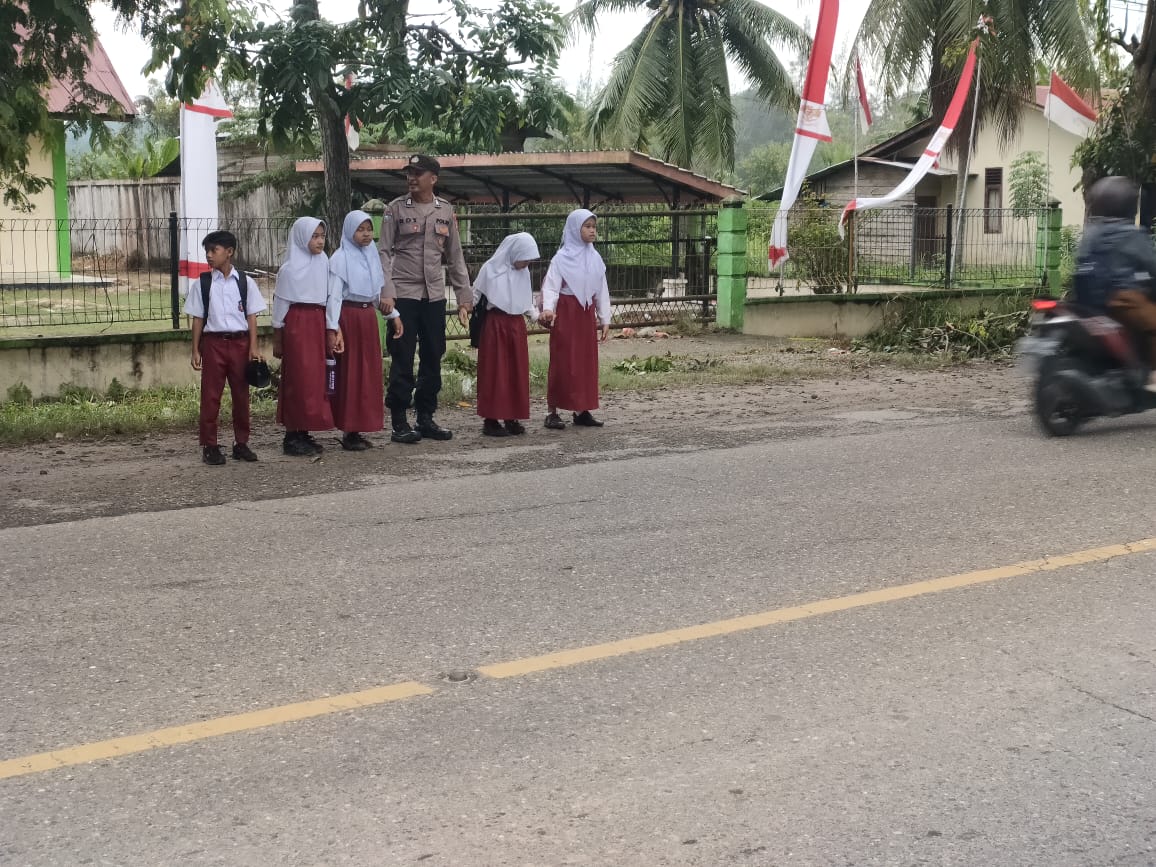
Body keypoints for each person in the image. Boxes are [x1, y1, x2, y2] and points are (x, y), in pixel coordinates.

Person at [378, 154, 472, 444]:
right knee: (402, 356)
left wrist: (464, 298)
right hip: (403, 296)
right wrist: (386, 291)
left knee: (433, 354)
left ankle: (425, 416)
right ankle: (399, 421)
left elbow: (455, 257)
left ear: (433, 178)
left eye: (418, 173)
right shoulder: (395, 209)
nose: (411, 178)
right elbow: (383, 252)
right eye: (409, 172)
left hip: (433, 296)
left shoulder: (445, 210)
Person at [185, 229, 268, 465]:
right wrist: (195, 349)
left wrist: (253, 347)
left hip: (240, 344)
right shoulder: (203, 283)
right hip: (213, 344)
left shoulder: (244, 282)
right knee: (211, 396)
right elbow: (198, 319)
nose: (209, 256)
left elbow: (252, 316)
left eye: (214, 250)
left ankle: (241, 443)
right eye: (207, 251)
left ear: (229, 252)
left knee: (241, 396)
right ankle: (210, 446)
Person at [329, 210, 403, 450]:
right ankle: (348, 429)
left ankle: (360, 427)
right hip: (349, 319)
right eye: (360, 229)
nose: (366, 234)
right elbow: (334, 297)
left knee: (368, 373)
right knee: (351, 373)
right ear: (350, 231)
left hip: (368, 319)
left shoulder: (371, 256)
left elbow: (375, 296)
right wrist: (333, 326)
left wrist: (393, 315)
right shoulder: (340, 259)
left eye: (369, 229)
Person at [1073, 175, 1156, 390]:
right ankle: (1153, 375)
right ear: (1129, 206)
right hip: (1122, 299)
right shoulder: (1130, 235)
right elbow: (1152, 265)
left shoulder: (1092, 233)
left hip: (1088, 303)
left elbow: (1080, 263)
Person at [272, 217, 343, 456]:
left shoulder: (323, 262)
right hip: (298, 323)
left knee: (314, 378)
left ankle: (304, 430)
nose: (320, 241)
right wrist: (278, 336)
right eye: (314, 236)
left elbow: (328, 296)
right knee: (298, 378)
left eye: (322, 236)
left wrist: (331, 328)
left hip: (317, 321)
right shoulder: (289, 269)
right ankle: (292, 435)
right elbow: (281, 305)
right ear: (302, 237)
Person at [539, 208, 611, 429]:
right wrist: (549, 309)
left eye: (594, 227)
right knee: (563, 360)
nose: (592, 231)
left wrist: (604, 317)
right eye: (587, 227)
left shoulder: (595, 257)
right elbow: (551, 287)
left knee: (585, 362)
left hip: (585, 315)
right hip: (566, 313)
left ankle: (582, 410)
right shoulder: (562, 258)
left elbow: (601, 288)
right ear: (574, 229)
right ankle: (553, 411)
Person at [472, 232, 540, 437]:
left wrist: (537, 316)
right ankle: (491, 419)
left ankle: (512, 416)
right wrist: (465, 307)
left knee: (516, 371)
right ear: (514, 252)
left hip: (516, 326)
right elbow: (476, 293)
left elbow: (526, 299)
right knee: (495, 371)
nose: (527, 262)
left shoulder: (524, 272)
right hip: (495, 325)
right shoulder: (490, 269)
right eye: (524, 257)